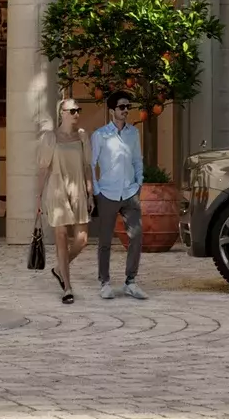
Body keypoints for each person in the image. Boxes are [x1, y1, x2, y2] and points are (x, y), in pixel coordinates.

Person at [86, 89, 148, 299]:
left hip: (130, 192)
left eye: (128, 107)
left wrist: (139, 182)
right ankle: (104, 282)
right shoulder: (100, 135)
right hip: (108, 193)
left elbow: (137, 160)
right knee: (105, 241)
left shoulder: (133, 133)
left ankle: (131, 281)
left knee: (136, 236)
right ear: (112, 110)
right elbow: (91, 165)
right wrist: (96, 191)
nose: (125, 111)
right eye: (122, 107)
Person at [33, 94, 92, 303]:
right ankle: (67, 287)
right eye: (72, 111)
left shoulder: (83, 136)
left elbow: (87, 167)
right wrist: (38, 198)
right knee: (60, 237)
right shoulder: (51, 137)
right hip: (57, 189)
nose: (76, 114)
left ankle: (59, 268)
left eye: (78, 110)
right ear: (62, 113)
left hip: (78, 190)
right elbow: (42, 169)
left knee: (82, 239)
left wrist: (90, 191)